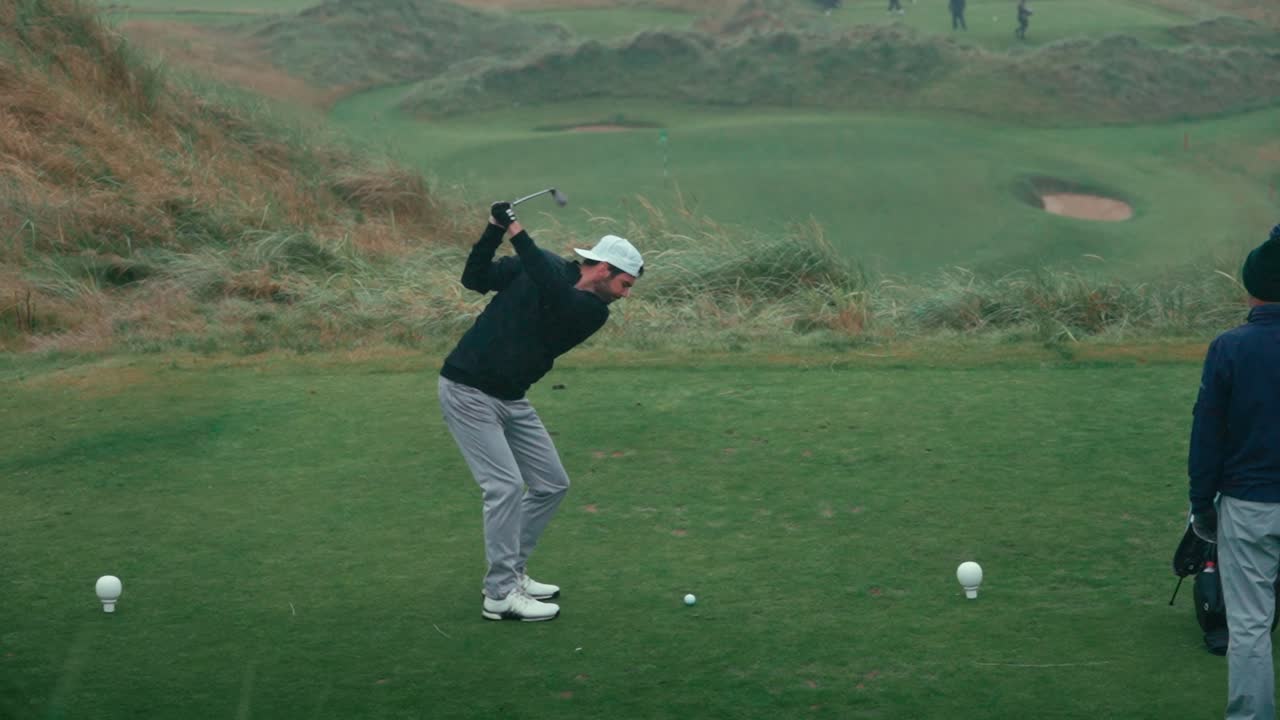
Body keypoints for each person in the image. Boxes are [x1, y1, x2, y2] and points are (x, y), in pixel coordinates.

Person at [438, 202, 644, 622]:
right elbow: (474, 278)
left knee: (551, 484)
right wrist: (496, 229)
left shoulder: (592, 311)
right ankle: (498, 595)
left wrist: (517, 230)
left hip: (512, 397)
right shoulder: (538, 266)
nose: (626, 296)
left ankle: (511, 572)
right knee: (505, 488)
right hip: (467, 388)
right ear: (602, 269)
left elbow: (555, 292)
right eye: (624, 284)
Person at [1189, 223, 1280, 718]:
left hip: (1248, 505)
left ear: (1251, 289)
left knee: (1249, 625)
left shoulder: (1229, 347)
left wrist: (1202, 503)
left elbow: (1207, 434)